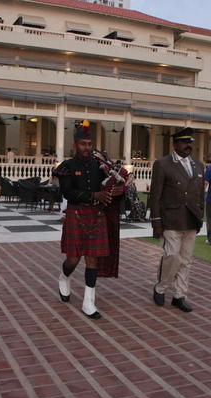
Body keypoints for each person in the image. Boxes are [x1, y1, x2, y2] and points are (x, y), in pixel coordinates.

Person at [55, 121, 124, 319]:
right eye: (83, 144)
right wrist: (94, 195)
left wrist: (118, 191)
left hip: (97, 216)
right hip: (76, 215)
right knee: (73, 259)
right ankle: (64, 276)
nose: (87, 148)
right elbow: (67, 192)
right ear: (75, 144)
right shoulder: (67, 166)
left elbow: (109, 187)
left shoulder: (101, 166)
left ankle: (88, 302)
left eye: (89, 144)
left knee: (92, 258)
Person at [149, 127, 204, 313]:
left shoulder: (198, 165)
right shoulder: (163, 164)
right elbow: (155, 195)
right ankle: (161, 287)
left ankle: (180, 295)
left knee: (186, 260)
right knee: (172, 256)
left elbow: (200, 195)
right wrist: (156, 222)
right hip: (171, 218)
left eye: (190, 142)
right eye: (184, 142)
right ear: (175, 144)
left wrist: (200, 216)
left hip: (191, 219)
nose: (188, 145)